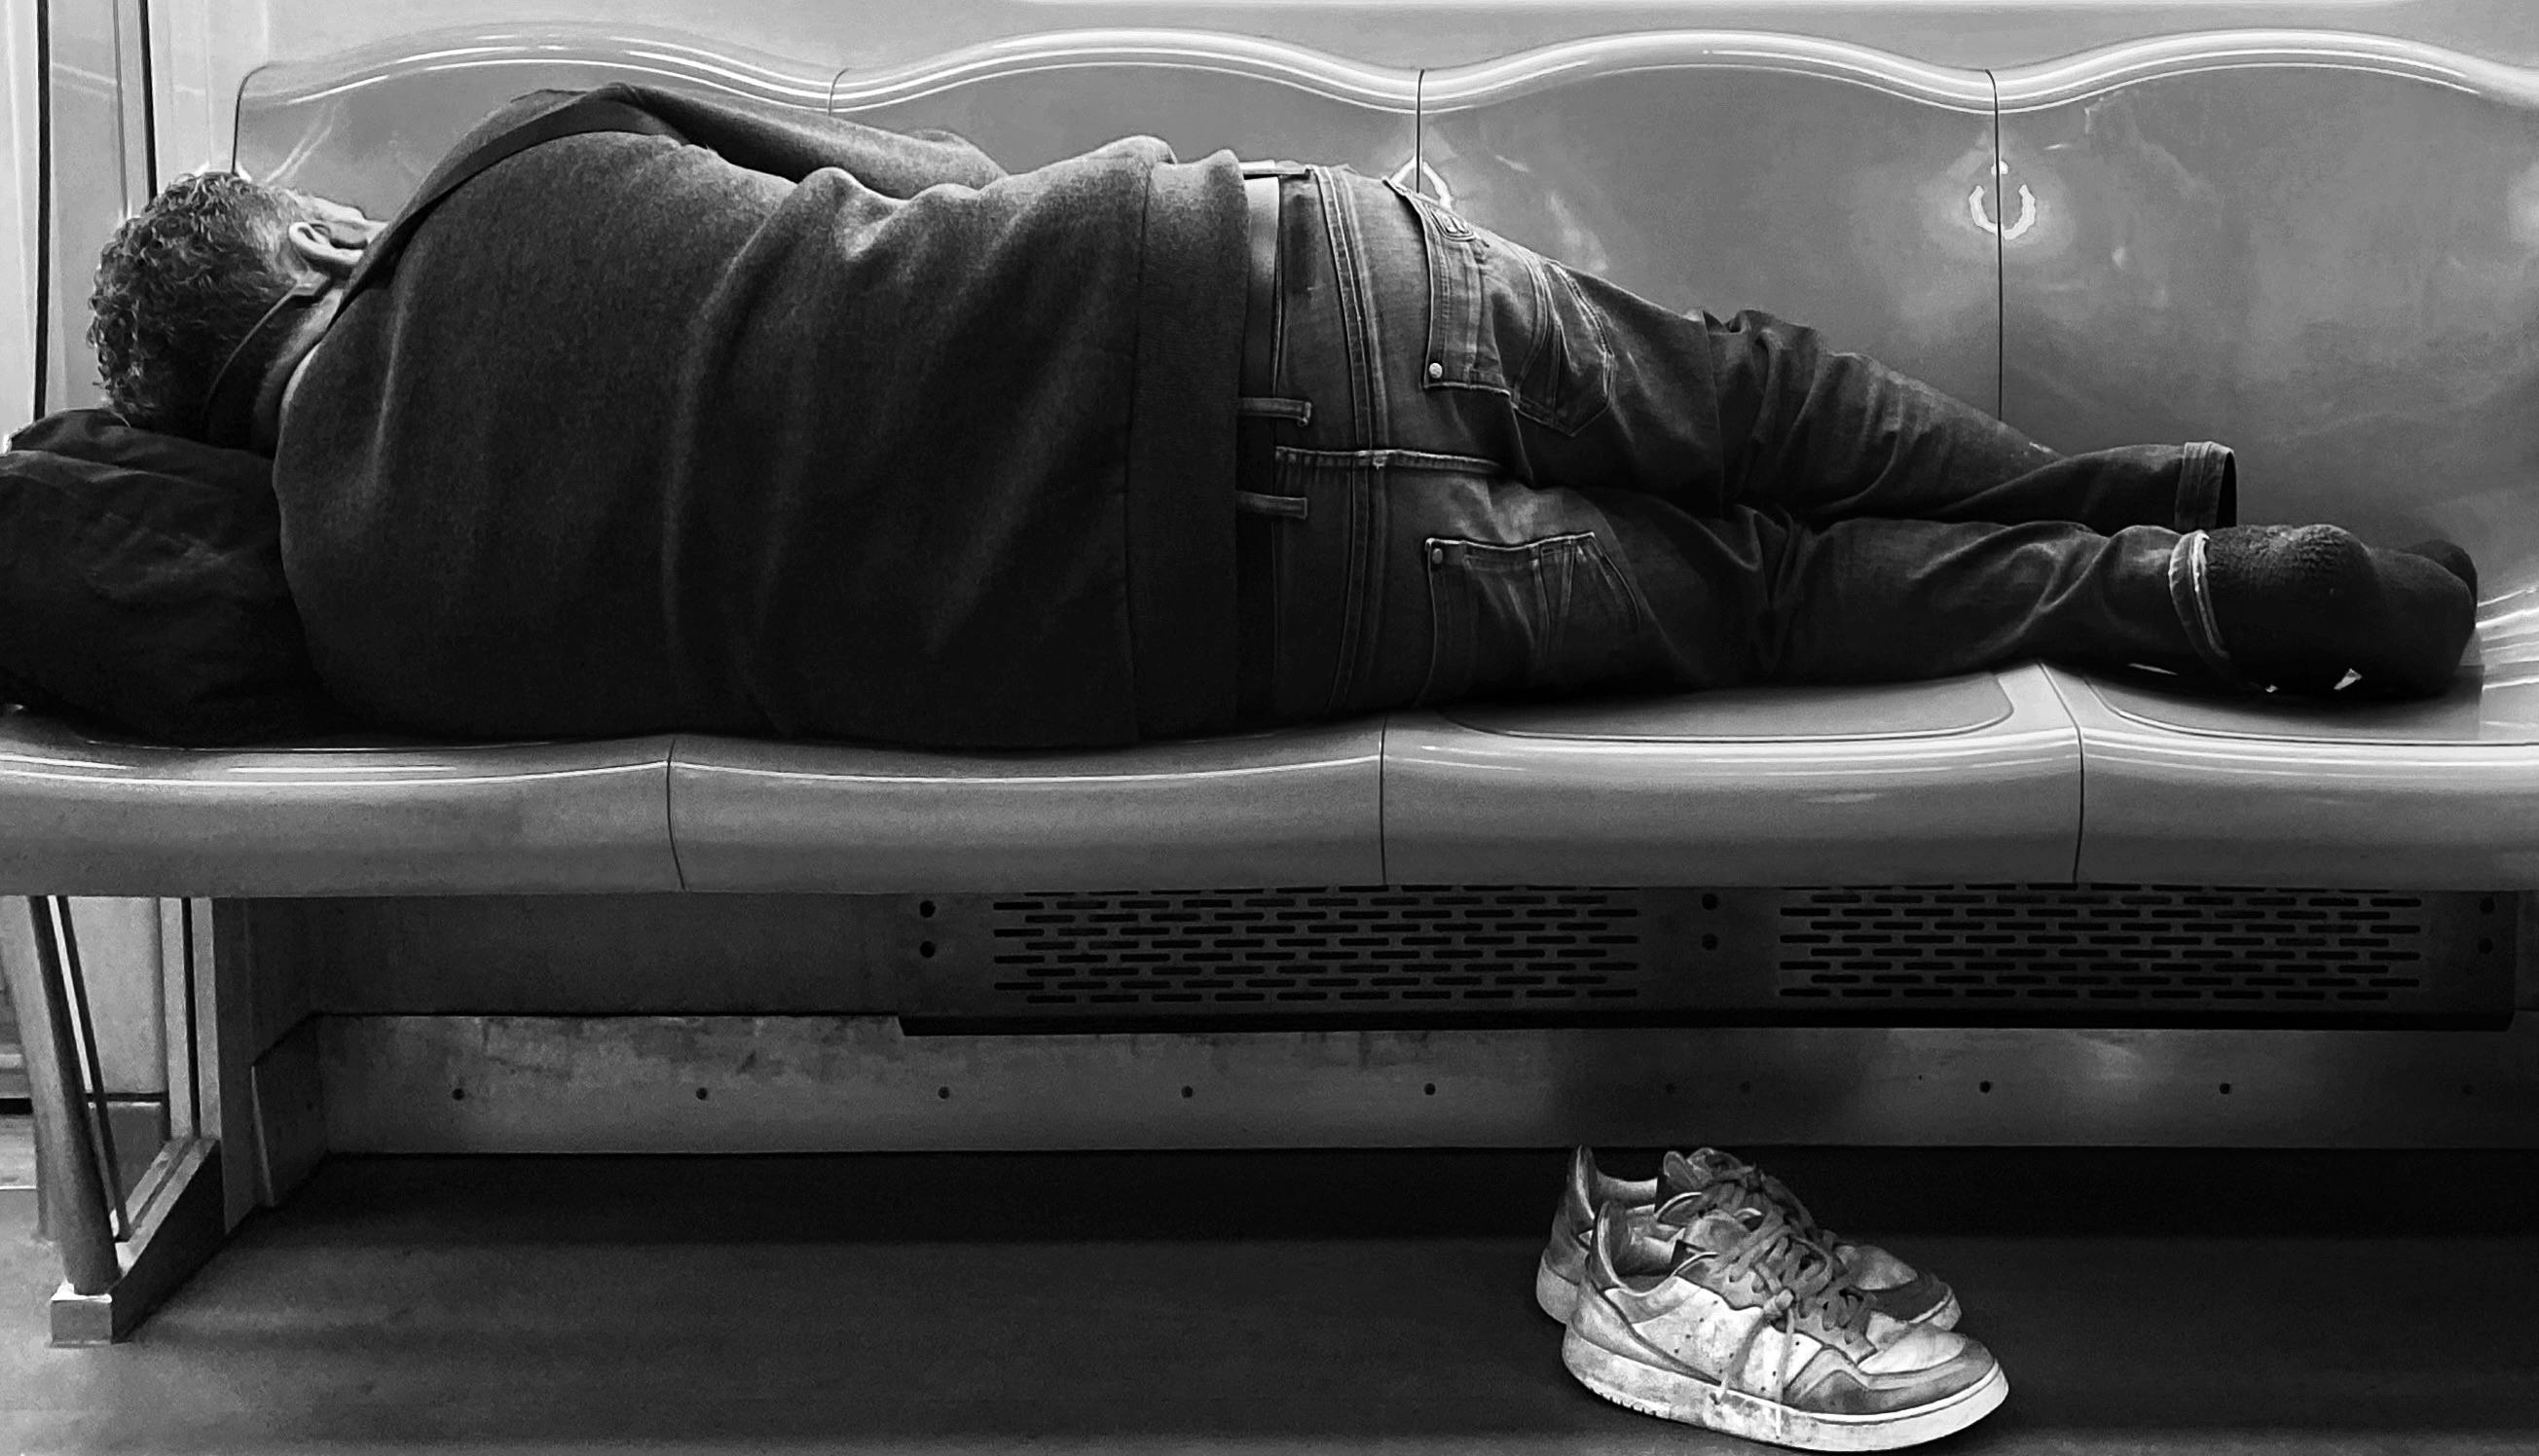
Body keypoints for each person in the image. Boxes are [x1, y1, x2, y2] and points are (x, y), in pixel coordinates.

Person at [85, 82, 2476, 752]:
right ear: (310, 249)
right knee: (1741, 392)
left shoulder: (372, 617)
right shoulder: (505, 177)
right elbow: (906, 176)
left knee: (1740, 589)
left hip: (1193, 609)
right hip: (1228, 278)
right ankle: (2140, 496)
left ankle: (2148, 591)